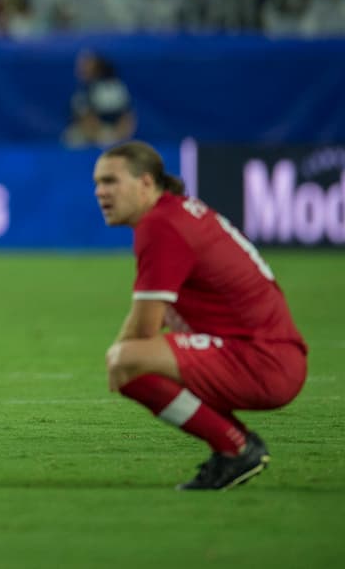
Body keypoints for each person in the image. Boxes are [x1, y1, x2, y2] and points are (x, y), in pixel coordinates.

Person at [95, 141, 307, 490]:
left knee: (127, 360)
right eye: (97, 183)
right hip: (270, 354)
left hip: (262, 360)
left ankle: (235, 448)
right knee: (127, 360)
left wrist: (120, 362)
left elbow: (145, 327)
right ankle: (235, 445)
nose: (100, 192)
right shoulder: (175, 213)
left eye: (110, 181)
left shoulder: (161, 226)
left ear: (146, 182)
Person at [63, 49, 136, 148]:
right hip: (94, 136)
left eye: (86, 65)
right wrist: (101, 136)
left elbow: (127, 118)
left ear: (97, 67)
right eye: (81, 65)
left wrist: (115, 136)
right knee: (72, 137)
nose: (81, 69)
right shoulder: (82, 92)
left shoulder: (116, 87)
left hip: (112, 135)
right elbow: (85, 120)